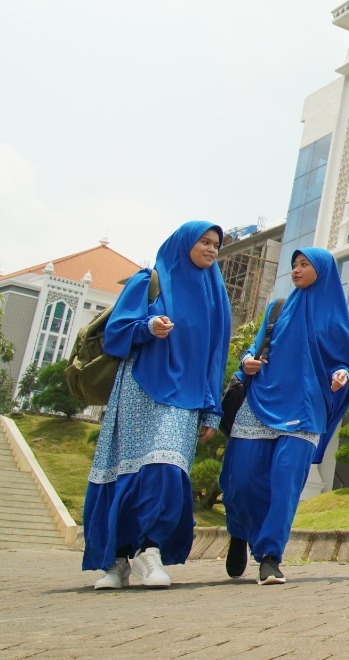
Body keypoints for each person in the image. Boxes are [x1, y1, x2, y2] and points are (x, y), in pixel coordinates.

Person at [84, 221, 231, 590]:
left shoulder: (216, 296)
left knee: (166, 471)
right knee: (125, 474)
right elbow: (116, 333)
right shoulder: (149, 280)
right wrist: (148, 327)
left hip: (187, 400)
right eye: (205, 242)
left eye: (216, 244)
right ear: (184, 243)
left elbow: (215, 357)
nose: (212, 249)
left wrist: (212, 408)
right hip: (139, 390)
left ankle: (151, 552)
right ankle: (116, 562)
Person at [219, 248, 349, 584]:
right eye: (294, 265)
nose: (296, 270)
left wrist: (342, 375)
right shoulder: (277, 307)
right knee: (239, 482)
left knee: (284, 485)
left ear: (322, 270)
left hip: (305, 408)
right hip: (261, 400)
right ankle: (239, 533)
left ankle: (270, 557)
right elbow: (254, 350)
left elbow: (345, 362)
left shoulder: (334, 316)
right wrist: (247, 362)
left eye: (303, 265)